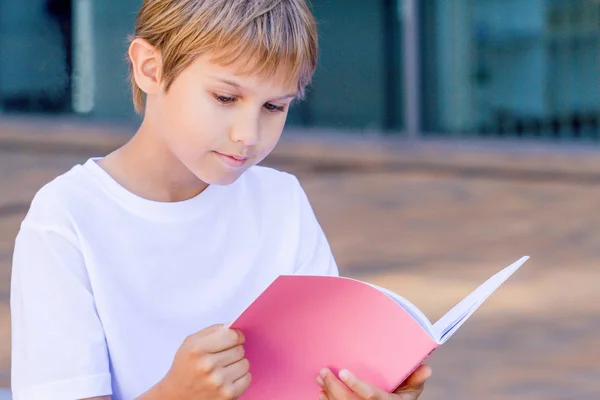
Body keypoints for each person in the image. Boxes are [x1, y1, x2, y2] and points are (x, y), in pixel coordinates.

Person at [10, 1, 431, 399]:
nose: (248, 133)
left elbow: (315, 378)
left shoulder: (281, 203)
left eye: (273, 106)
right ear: (150, 69)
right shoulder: (67, 219)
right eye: (226, 98)